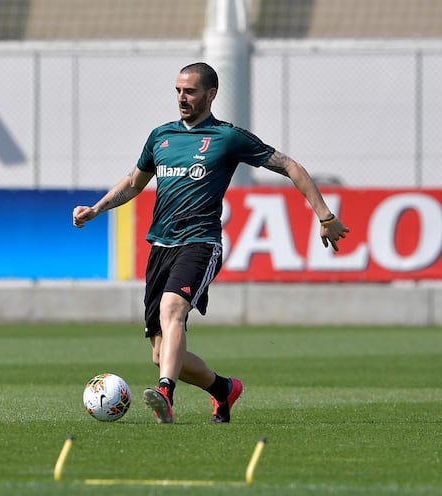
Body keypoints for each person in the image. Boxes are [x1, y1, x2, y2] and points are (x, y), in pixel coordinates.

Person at [72, 62, 349, 424]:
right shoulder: (161, 137)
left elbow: (290, 166)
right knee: (161, 352)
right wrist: (96, 209)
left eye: (189, 91)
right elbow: (134, 182)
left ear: (211, 94)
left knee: (173, 311)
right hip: (160, 247)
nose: (182, 98)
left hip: (201, 242)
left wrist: (325, 216)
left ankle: (165, 395)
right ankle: (223, 389)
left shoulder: (227, 137)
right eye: (177, 91)